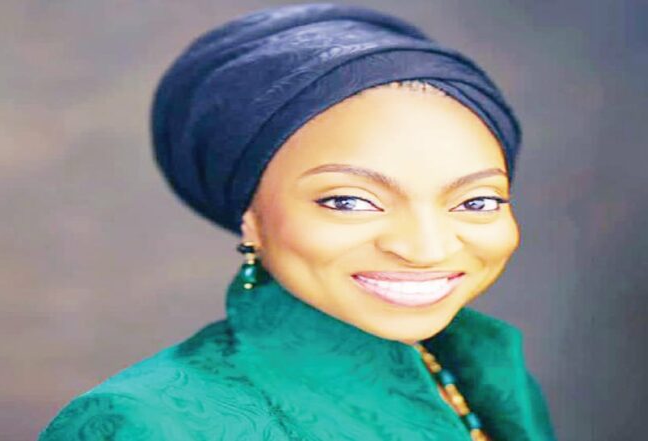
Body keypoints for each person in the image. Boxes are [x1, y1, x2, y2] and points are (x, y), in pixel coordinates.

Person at [39, 3, 556, 440]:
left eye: (476, 202)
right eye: (349, 201)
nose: (426, 248)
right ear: (251, 218)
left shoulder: (483, 371)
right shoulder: (144, 423)